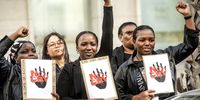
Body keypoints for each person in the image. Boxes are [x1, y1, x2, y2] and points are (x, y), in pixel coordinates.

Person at [114, 1, 199, 100]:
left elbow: (190, 45)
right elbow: (118, 96)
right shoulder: (125, 69)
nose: (147, 43)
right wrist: (136, 98)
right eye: (142, 40)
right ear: (134, 41)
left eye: (151, 40)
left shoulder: (167, 56)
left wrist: (187, 17)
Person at [57, 0, 113, 99]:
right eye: (83, 44)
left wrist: (107, 5)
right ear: (77, 48)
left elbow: (107, 32)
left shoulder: (103, 60)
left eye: (92, 44)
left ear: (97, 47)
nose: (88, 48)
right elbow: (62, 97)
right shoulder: (69, 69)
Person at [0, 26, 38, 100]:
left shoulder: (45, 72)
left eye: (34, 51)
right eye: (24, 52)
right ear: (15, 57)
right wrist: (16, 34)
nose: (31, 54)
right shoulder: (9, 71)